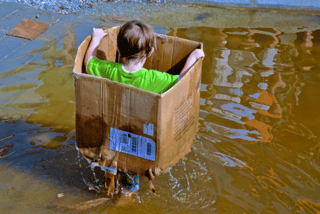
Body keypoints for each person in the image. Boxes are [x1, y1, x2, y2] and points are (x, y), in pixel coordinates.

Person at [85, 20, 204, 196]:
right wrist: (193, 57)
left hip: (110, 134)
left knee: (111, 167)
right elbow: (180, 80)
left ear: (118, 50)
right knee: (129, 179)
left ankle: (107, 187)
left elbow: (89, 62)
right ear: (151, 52)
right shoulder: (153, 79)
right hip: (136, 140)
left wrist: (95, 40)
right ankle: (123, 200)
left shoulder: (110, 70)